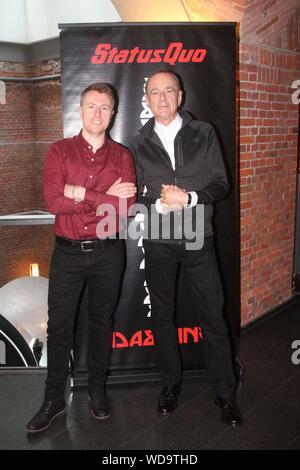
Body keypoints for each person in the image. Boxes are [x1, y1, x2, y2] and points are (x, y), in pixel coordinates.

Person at [130, 70, 242, 426]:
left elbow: (222, 183)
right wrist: (156, 204)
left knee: (213, 315)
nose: (161, 98)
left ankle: (225, 393)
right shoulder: (137, 142)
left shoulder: (203, 132)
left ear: (180, 96)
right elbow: (132, 193)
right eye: (154, 92)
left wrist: (190, 197)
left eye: (168, 91)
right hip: (158, 239)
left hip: (198, 237)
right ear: (146, 100)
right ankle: (170, 385)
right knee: (162, 316)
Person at [26, 82, 136, 433]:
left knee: (101, 325)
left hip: (108, 254)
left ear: (113, 114)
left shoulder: (122, 156)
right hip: (68, 255)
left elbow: (126, 207)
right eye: (92, 106)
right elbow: (54, 201)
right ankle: (53, 399)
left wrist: (81, 193)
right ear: (81, 109)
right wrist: (102, 195)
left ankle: (98, 391)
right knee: (59, 328)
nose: (98, 113)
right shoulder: (59, 151)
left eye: (105, 107)